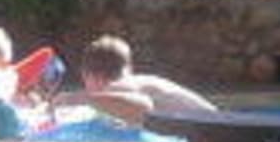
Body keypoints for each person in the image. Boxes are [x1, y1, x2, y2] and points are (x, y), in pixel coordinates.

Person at [64, 34, 218, 128]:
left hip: (216, 133)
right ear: (129, 67)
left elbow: (144, 106)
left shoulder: (119, 86)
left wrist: (78, 98)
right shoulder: (137, 83)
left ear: (87, 75)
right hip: (220, 125)